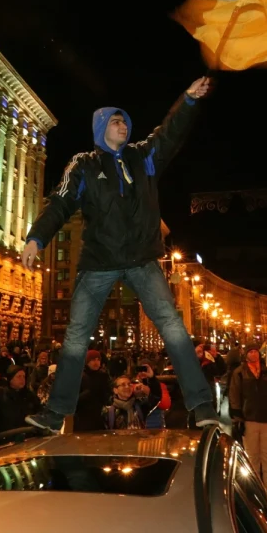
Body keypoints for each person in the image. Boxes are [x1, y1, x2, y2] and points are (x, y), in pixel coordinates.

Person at [22, 78, 219, 432]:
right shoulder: (83, 164)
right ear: (101, 129)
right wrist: (37, 237)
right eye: (115, 121)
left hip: (143, 259)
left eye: (125, 121)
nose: (123, 125)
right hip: (99, 262)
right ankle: (55, 413)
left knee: (173, 327)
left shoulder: (142, 156)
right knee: (76, 335)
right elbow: (61, 202)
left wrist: (187, 100)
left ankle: (202, 405)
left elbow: (169, 134)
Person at [228, 344, 267, 506]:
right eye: (250, 352)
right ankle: (254, 492)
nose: (254, 354)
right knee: (253, 457)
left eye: (255, 352)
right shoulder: (239, 373)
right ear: (246, 355)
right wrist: (237, 419)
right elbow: (234, 396)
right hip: (249, 419)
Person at [73, 350, 112, 432]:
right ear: (87, 362)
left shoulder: (103, 376)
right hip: (83, 419)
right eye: (93, 360)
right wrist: (86, 394)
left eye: (98, 360)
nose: (96, 362)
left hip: (99, 418)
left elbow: (107, 395)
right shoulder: (80, 377)